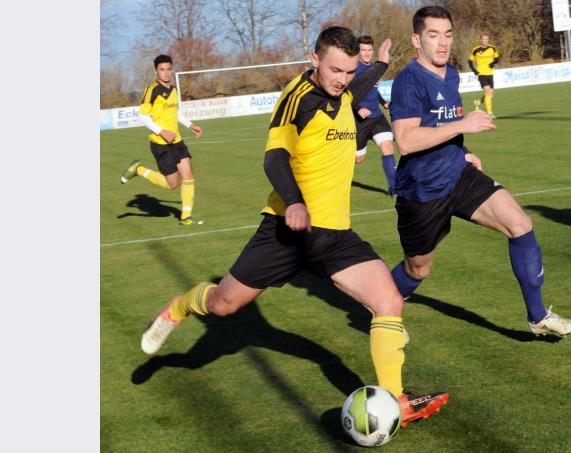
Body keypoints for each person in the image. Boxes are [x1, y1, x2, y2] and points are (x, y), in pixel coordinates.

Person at [139, 27, 447, 428]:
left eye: (350, 71)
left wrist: (381, 64)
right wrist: (295, 202)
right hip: (286, 231)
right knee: (223, 305)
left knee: (389, 303)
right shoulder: (296, 99)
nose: (342, 79)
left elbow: (358, 83)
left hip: (335, 234)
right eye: (335, 69)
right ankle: (179, 307)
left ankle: (397, 400)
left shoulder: (345, 90)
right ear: (314, 58)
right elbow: (274, 158)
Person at [388, 6, 571, 338]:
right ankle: (383, 312)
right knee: (418, 268)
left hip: (458, 175)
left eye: (447, 35)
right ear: (416, 40)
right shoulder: (408, 81)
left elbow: (440, 125)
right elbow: (405, 141)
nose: (442, 43)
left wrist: (463, 150)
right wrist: (464, 126)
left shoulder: (449, 74)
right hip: (422, 191)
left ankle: (537, 316)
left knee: (520, 224)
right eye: (433, 35)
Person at [120, 54, 203, 226]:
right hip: (160, 144)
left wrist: (190, 125)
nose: (166, 73)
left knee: (188, 175)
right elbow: (141, 115)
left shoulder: (173, 89)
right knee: (172, 184)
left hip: (177, 141)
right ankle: (139, 169)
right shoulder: (153, 89)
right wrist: (161, 131)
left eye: (168, 69)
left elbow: (175, 112)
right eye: (162, 70)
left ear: (172, 69)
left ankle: (185, 217)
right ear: (156, 71)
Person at [354, 35, 398, 195]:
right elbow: (347, 94)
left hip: (377, 117)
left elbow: (374, 90)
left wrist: (384, 102)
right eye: (363, 50)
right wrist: (358, 108)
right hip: (359, 121)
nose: (366, 53)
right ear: (357, 52)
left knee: (388, 146)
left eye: (369, 50)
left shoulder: (374, 68)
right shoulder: (353, 70)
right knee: (358, 159)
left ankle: (394, 187)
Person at [468, 32, 499, 118]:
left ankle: (478, 102)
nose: (485, 41)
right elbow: (470, 61)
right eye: (484, 39)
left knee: (490, 95)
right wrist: (474, 70)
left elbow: (497, 58)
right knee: (488, 92)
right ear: (481, 40)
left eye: (487, 39)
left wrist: (493, 63)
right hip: (481, 74)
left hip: (490, 73)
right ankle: (489, 113)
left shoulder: (492, 48)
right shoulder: (476, 49)